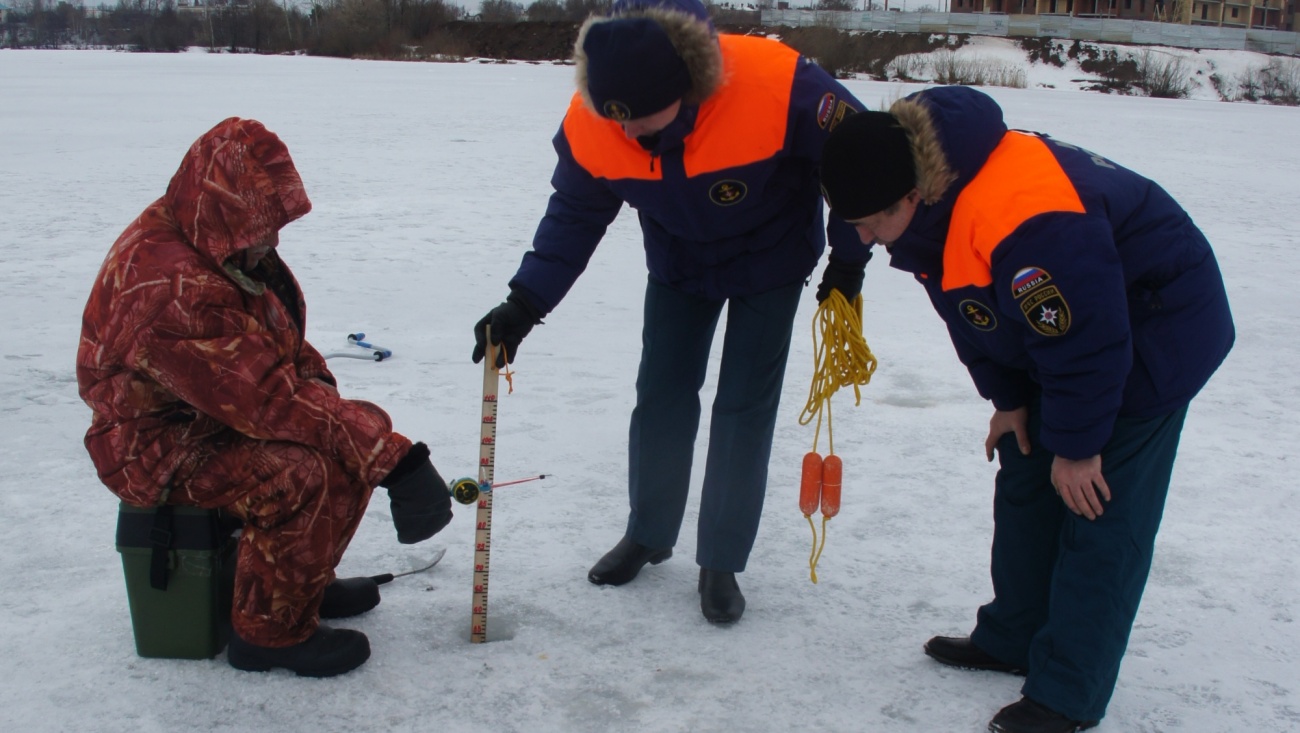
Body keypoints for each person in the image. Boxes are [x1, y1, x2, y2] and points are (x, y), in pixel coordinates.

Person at [817, 86, 1234, 733]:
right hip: (1073, 328)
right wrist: (1009, 400)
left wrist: (1079, 446)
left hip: (1156, 326)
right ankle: (1013, 633)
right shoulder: (924, 195)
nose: (863, 238)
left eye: (870, 223)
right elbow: (972, 307)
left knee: (1097, 505)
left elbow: (1089, 338)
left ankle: (1068, 691)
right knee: (1024, 468)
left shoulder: (1021, 215)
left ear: (911, 197)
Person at [471, 0, 870, 623]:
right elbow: (575, 215)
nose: (629, 137)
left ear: (688, 88)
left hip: (772, 260)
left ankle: (721, 560)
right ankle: (649, 532)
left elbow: (858, 159)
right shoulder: (592, 123)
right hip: (680, 263)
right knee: (660, 393)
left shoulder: (776, 83)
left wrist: (848, 262)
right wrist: (525, 302)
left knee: (743, 405)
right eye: (617, 122)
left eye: (644, 125)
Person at [77, 117, 454, 677]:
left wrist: (350, 421)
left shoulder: (214, 243)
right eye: (262, 228)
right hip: (156, 445)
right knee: (299, 473)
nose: (272, 241)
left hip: (210, 414)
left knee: (351, 433)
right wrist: (395, 462)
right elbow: (265, 397)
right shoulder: (173, 290)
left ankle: (299, 587)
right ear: (226, 212)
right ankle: (269, 635)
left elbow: (278, 351)